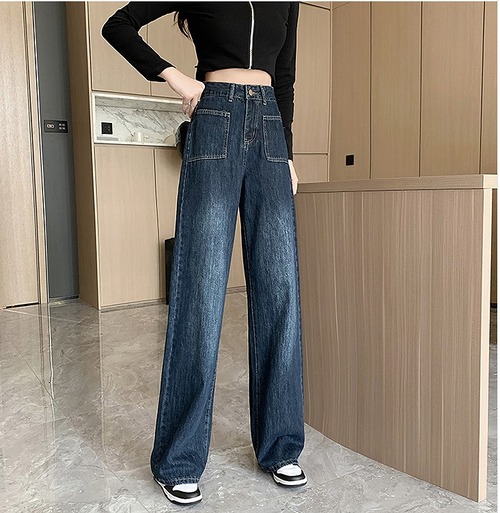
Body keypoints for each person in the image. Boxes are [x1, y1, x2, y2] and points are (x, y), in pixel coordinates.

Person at [102, 2, 306, 505]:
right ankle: (178, 458)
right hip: (214, 117)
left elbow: (284, 76)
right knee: (200, 291)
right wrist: (177, 79)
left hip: (270, 130)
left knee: (280, 293)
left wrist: (287, 152)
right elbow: (118, 26)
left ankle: (281, 446)